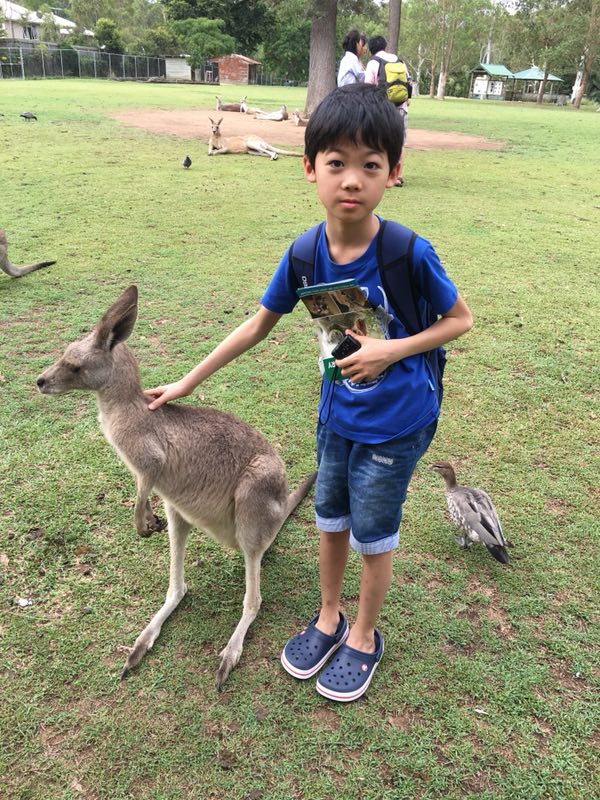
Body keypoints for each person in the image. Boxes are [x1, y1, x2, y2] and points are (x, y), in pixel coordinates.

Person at [145, 83, 473, 703]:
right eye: (336, 163)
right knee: (330, 519)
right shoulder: (303, 254)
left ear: (393, 174)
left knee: (373, 531)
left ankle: (365, 635)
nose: (352, 179)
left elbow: (459, 320)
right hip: (335, 417)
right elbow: (256, 324)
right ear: (310, 168)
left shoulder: (407, 252)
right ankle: (328, 617)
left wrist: (390, 349)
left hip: (396, 422)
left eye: (370, 166)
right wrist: (187, 381)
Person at [365, 35, 411, 187]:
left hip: (382, 108)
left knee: (379, 141)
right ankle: (398, 176)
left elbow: (368, 87)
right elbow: (408, 82)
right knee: (400, 142)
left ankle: (379, 173)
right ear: (385, 47)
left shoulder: (373, 63)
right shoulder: (399, 61)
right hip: (401, 107)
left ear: (371, 50)